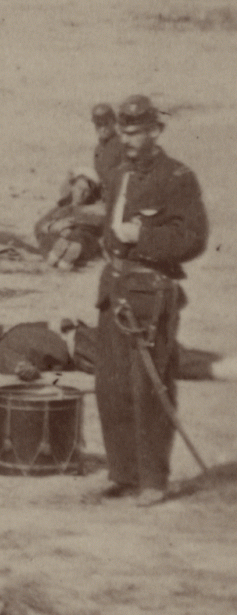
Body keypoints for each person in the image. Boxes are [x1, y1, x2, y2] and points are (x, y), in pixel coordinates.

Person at [93, 94, 208, 507]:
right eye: (124, 131)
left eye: (136, 132)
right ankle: (123, 473)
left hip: (152, 294)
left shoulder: (177, 177)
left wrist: (143, 237)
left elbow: (193, 239)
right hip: (116, 291)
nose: (127, 138)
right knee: (110, 385)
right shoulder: (118, 172)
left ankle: (154, 479)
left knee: (150, 386)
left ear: (156, 131)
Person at [0, 319, 98, 380]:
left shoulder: (13, 331)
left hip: (81, 336)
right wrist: (24, 370)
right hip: (80, 351)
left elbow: (57, 322)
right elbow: (26, 370)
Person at [34, 166, 107, 270]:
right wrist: (53, 226)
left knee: (82, 236)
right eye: (79, 188)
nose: (81, 194)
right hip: (59, 237)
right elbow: (39, 225)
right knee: (46, 237)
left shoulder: (93, 209)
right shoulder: (61, 208)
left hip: (82, 239)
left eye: (86, 191)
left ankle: (68, 255)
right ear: (72, 187)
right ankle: (54, 253)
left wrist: (71, 225)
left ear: (92, 194)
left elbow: (99, 223)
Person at [92, 101, 125, 181]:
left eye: (106, 124)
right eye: (99, 125)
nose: (103, 129)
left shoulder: (122, 145)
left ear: (114, 122)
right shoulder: (98, 149)